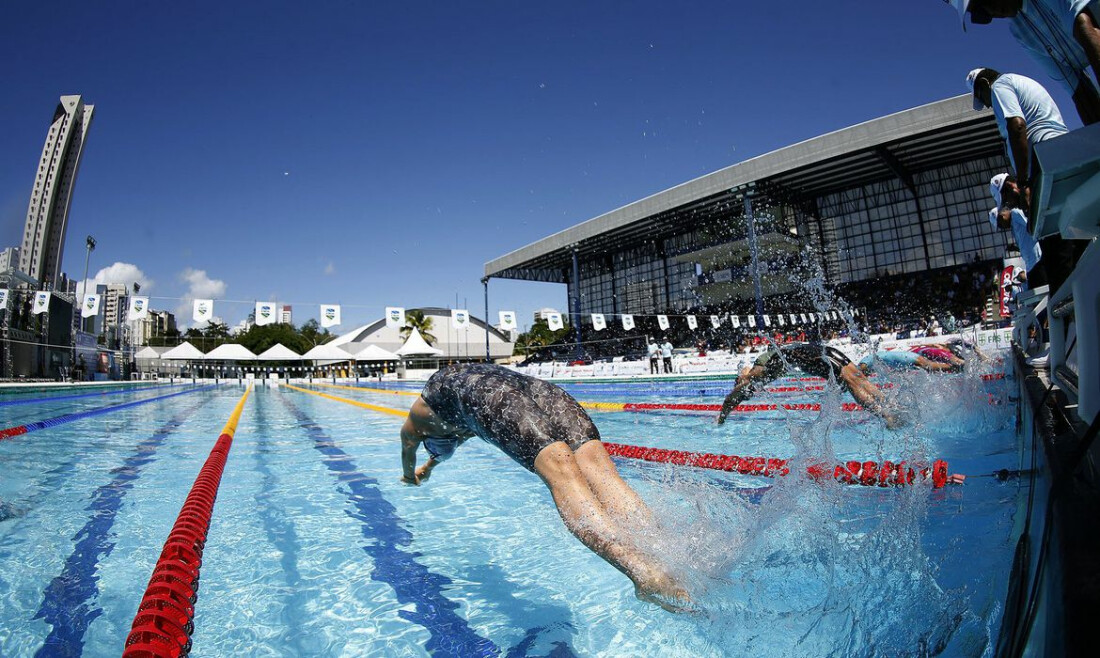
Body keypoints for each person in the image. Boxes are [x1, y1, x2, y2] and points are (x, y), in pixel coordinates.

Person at [399, 363, 691, 611]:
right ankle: (670, 556)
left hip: (495, 398)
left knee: (562, 474)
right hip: (541, 390)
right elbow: (454, 441)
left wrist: (410, 474)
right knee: (600, 472)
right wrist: (429, 468)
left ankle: (645, 572)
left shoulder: (414, 426)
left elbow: (408, 454)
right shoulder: (455, 407)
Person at [949, 0, 1100, 124]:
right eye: (980, 14)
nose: (990, 10)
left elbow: (1086, 28)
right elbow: (1078, 90)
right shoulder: (1020, 32)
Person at [716, 342, 900, 427]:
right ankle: (893, 408)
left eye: (740, 380)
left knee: (852, 382)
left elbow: (732, 397)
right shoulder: (768, 363)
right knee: (858, 378)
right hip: (817, 350)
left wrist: (722, 418)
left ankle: (887, 415)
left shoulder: (757, 371)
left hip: (809, 354)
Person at [858, 349, 961, 374]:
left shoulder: (864, 363)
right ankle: (955, 368)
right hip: (903, 357)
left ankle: (955, 367)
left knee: (928, 366)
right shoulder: (870, 360)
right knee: (928, 368)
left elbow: (858, 375)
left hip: (904, 357)